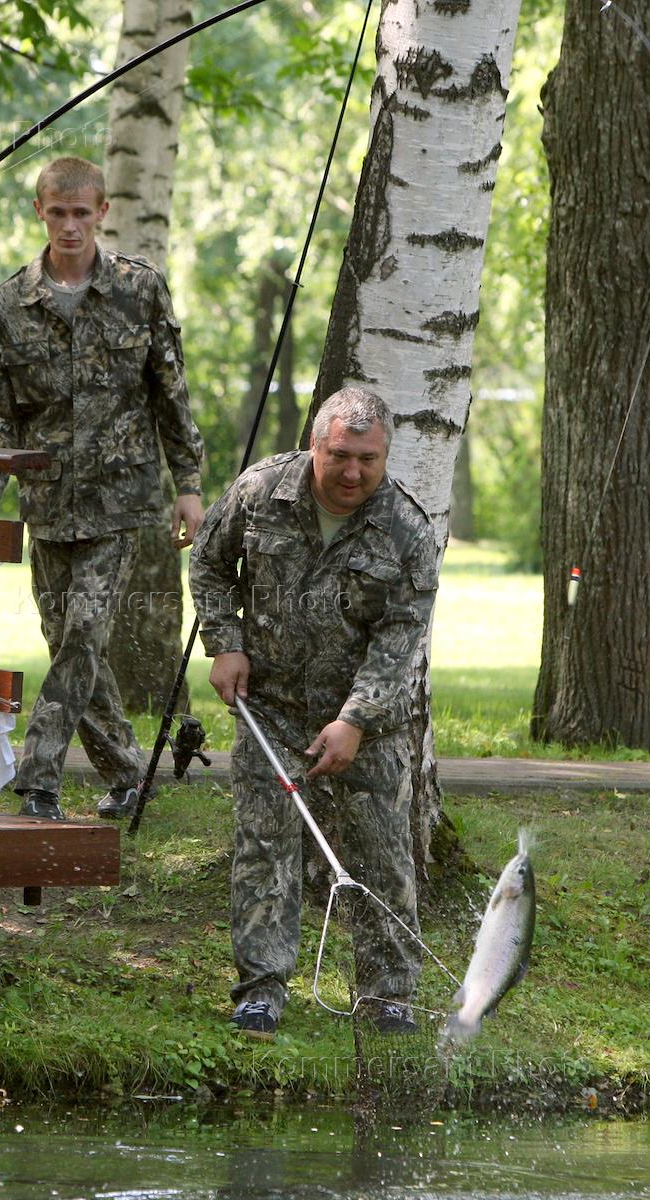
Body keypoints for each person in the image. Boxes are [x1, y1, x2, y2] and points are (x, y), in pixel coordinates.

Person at [188, 387, 438, 1040]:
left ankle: (387, 998)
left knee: (381, 856)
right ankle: (261, 992)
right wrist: (225, 644)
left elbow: (399, 638)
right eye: (339, 455)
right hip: (268, 709)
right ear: (314, 445)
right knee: (264, 851)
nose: (352, 472)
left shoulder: (406, 529)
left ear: (384, 456)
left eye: (367, 458)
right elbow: (208, 566)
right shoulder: (258, 492)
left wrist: (354, 720)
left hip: (370, 724)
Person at [0, 156, 204, 822]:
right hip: (45, 502)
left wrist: (187, 484)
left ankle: (38, 777)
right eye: (57, 212)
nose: (70, 226)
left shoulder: (139, 290)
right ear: (39, 212)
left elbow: (171, 394)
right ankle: (128, 772)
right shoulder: (8, 306)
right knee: (74, 646)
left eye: (82, 212)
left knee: (81, 637)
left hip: (119, 500)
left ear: (102, 212)